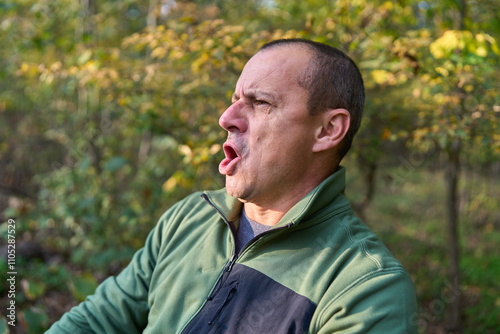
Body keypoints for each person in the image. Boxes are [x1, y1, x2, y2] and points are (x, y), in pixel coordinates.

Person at [47, 39, 417, 333]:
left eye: (259, 103)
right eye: (234, 99)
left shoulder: (365, 286)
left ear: (328, 130)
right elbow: (98, 320)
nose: (227, 118)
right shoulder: (190, 217)